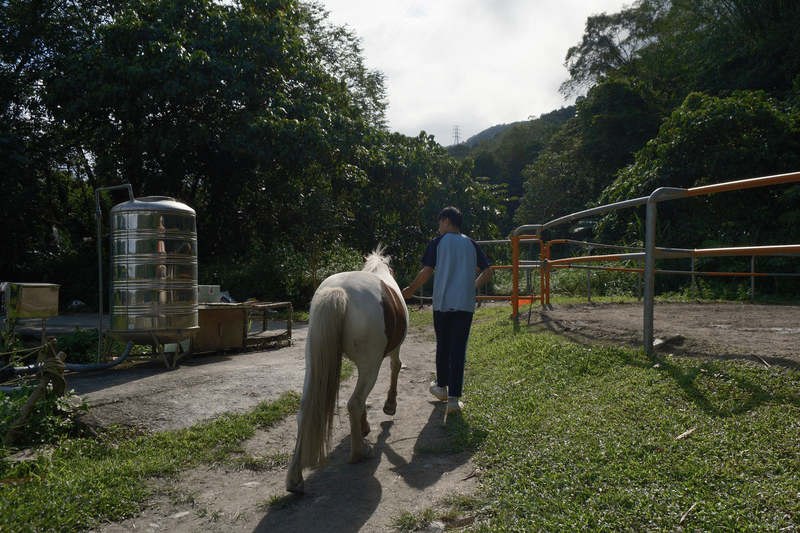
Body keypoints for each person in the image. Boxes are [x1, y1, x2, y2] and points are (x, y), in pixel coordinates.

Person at [401, 206, 493, 414]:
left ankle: (441, 387)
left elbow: (426, 272)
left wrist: (409, 290)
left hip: (442, 304)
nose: (439, 228)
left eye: (440, 223)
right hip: (465, 305)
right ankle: (453, 400)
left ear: (447, 221)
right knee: (458, 348)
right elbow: (488, 272)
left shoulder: (437, 243)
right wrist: (471, 286)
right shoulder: (471, 243)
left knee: (443, 345)